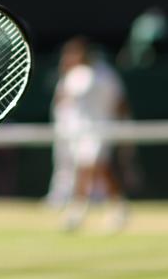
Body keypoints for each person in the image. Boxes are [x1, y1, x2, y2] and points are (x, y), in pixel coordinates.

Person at [50, 37, 131, 232]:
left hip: (101, 129)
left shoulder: (105, 75)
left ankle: (78, 212)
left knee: (91, 168)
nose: (71, 57)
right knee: (96, 169)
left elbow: (120, 103)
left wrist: (121, 128)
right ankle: (118, 208)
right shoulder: (71, 76)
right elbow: (61, 103)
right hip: (76, 132)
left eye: (75, 53)